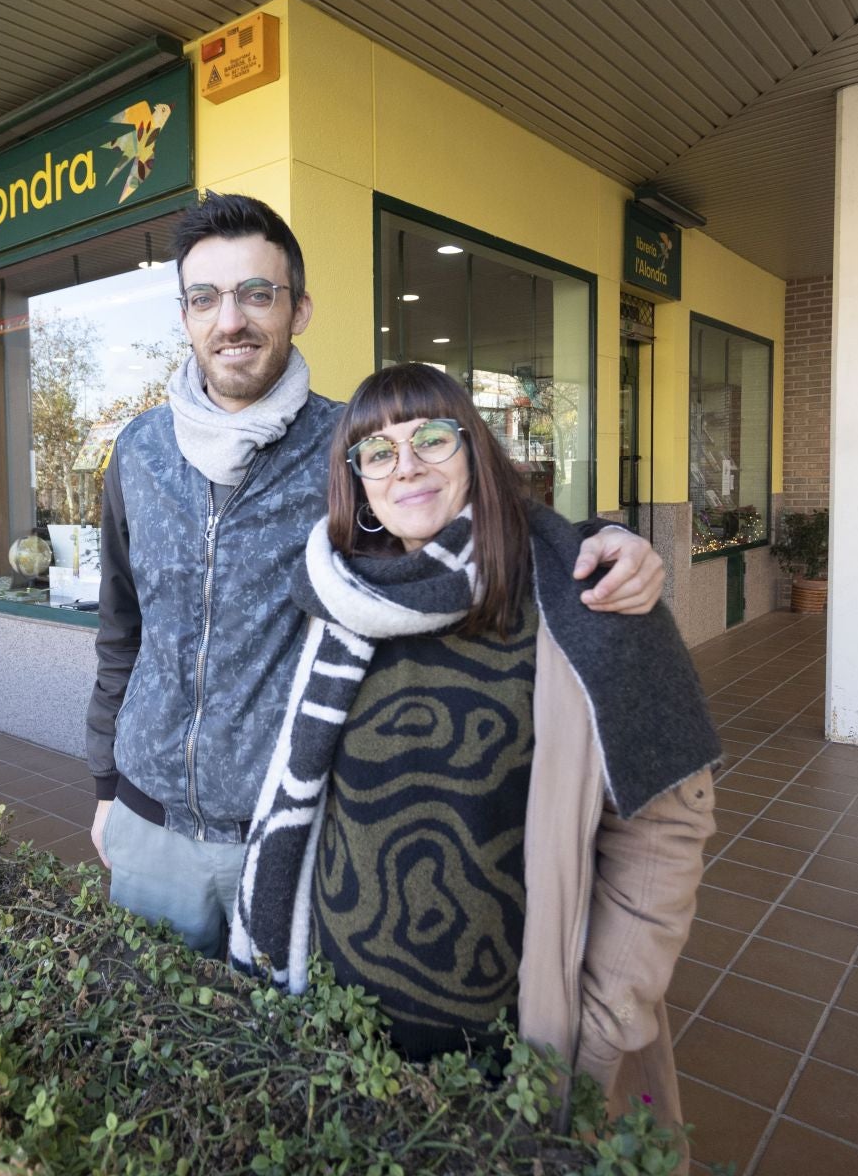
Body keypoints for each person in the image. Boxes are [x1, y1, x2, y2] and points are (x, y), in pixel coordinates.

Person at [85, 192, 668, 957]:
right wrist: (103, 788)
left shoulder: (351, 449)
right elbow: (120, 630)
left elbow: (466, 515)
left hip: (295, 835)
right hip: (148, 826)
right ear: (186, 315)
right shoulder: (138, 452)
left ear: (299, 310)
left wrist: (605, 543)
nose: (232, 320)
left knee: (282, 1064)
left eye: (258, 293)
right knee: (150, 1052)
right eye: (207, 298)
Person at [231, 362, 720, 1139]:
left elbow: (663, 834)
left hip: (509, 1051)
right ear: (356, 482)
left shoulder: (583, 592)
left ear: (476, 449)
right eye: (378, 452)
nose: (408, 466)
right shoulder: (344, 596)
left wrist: (599, 1027)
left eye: (431, 437)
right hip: (337, 1025)